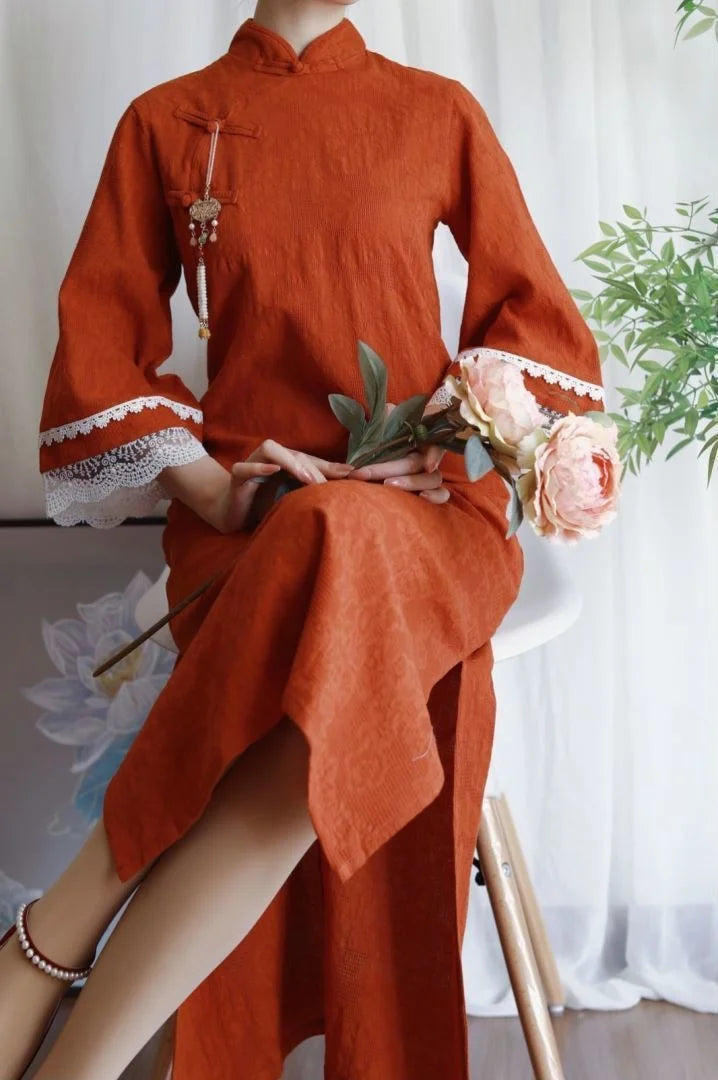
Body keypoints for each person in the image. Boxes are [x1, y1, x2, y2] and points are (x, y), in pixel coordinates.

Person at [1, 2, 606, 1078]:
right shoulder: (168, 120)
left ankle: (56, 945)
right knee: (322, 549)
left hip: (426, 520)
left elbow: (538, 332)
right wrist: (214, 491)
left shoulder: (436, 112)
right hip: (255, 530)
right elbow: (101, 351)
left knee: (344, 532)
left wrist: (461, 425)